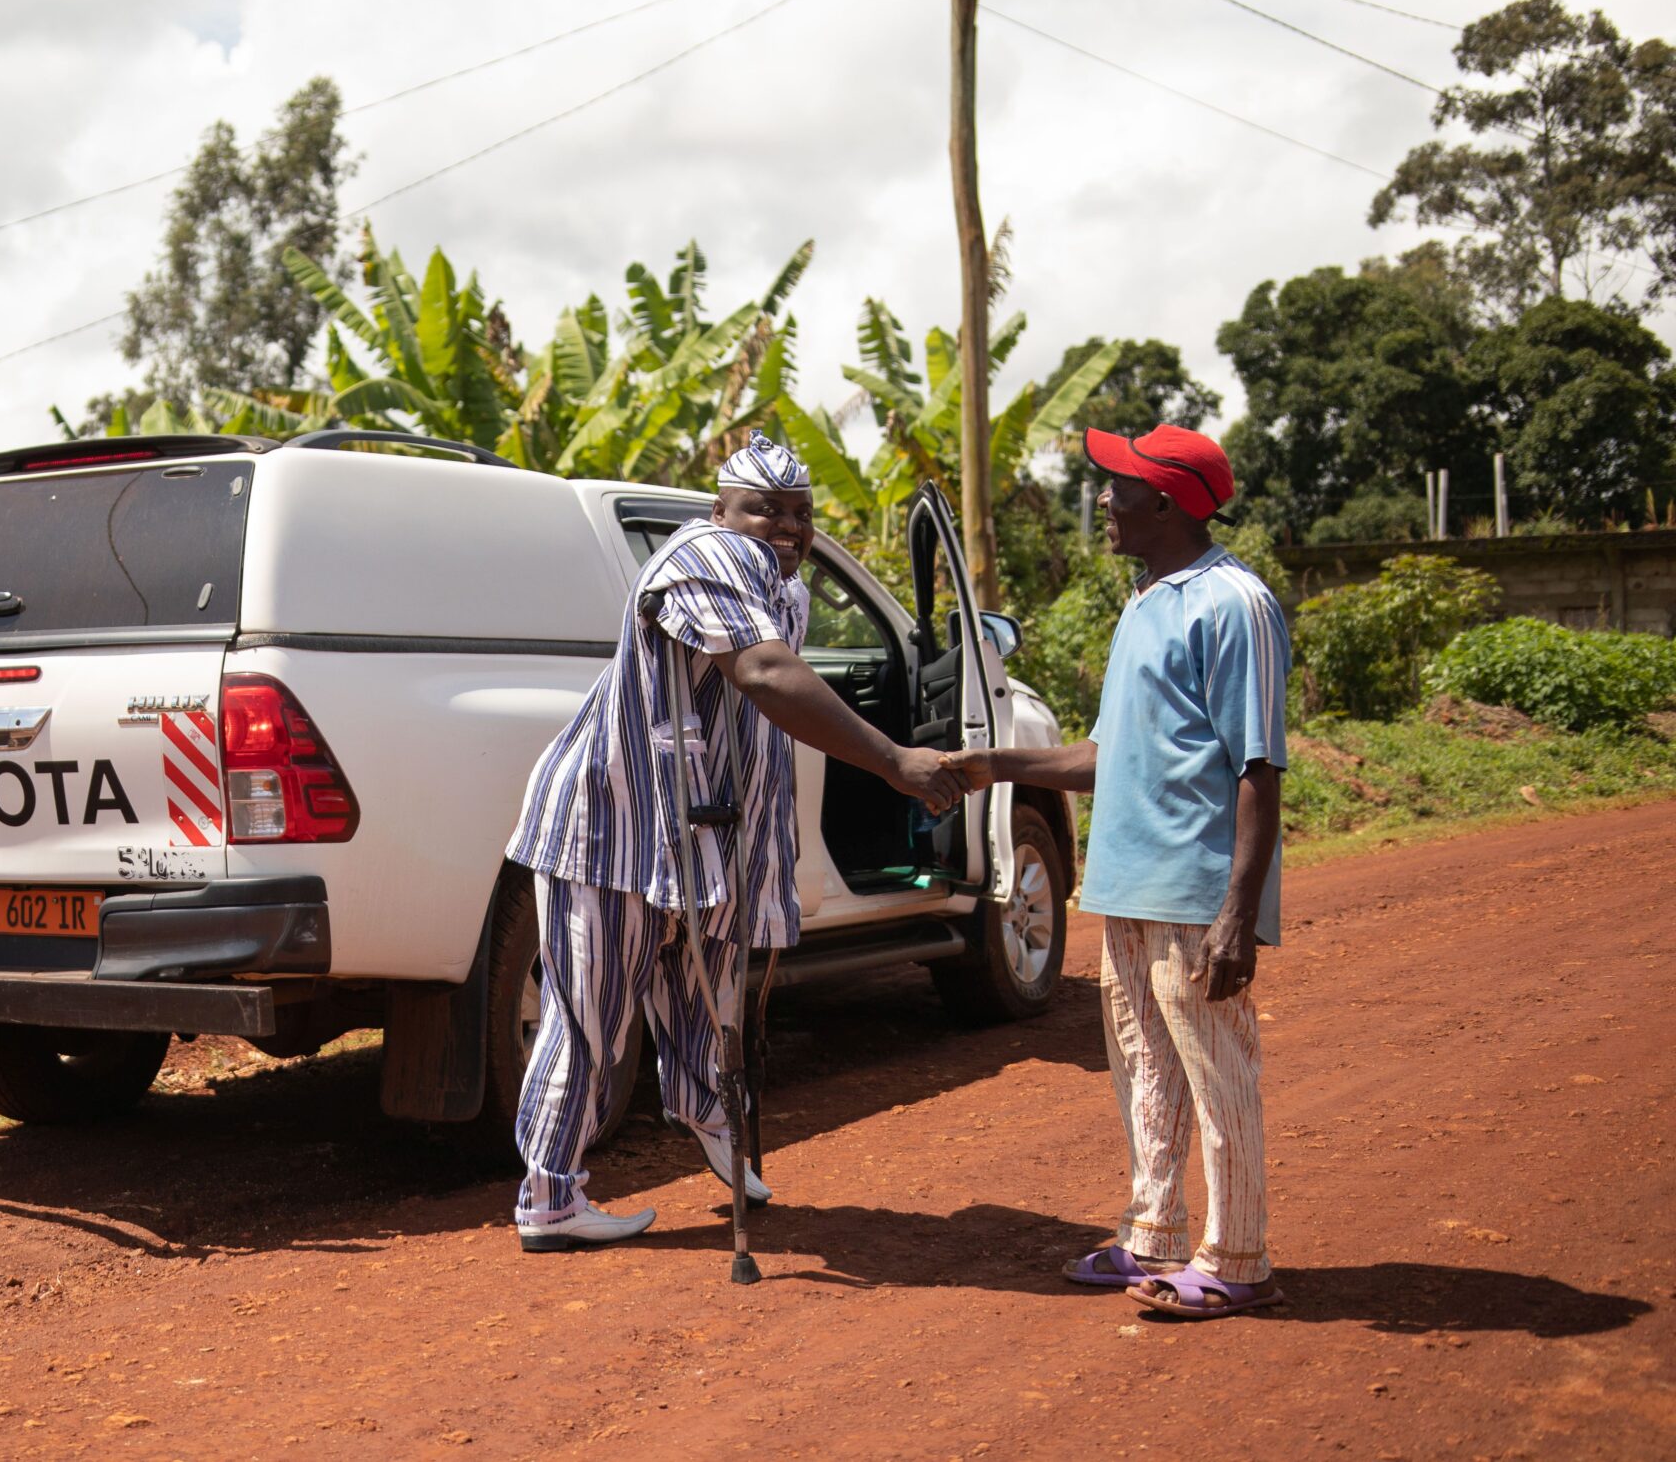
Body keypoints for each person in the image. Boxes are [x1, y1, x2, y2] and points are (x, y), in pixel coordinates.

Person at [505, 432, 965, 1251]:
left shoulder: (781, 585)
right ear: (721, 510)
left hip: (703, 826)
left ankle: (711, 1116)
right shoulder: (709, 556)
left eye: (800, 513)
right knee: (591, 1014)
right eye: (765, 510)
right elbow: (764, 675)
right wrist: (893, 758)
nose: (787, 527)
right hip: (614, 823)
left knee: (703, 987)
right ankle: (549, 1198)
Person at [944, 423, 1289, 1318]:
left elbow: (1259, 767)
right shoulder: (1144, 601)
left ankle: (1238, 1254)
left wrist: (1236, 911)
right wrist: (994, 767)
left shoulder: (1233, 603)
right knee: (1144, 1065)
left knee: (1216, 1071)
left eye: (1120, 485)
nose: (1103, 498)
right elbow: (1108, 754)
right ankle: (1155, 1234)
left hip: (1194, 886)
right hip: (1127, 882)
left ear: (1167, 501)